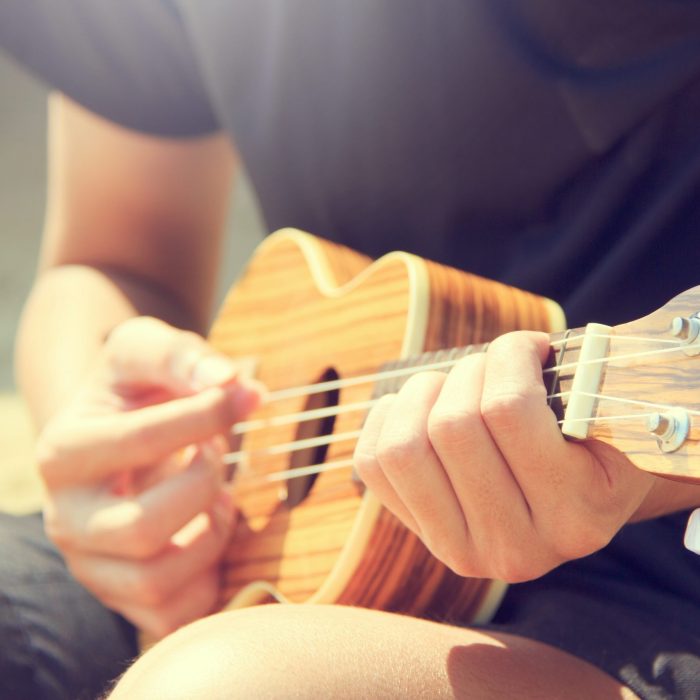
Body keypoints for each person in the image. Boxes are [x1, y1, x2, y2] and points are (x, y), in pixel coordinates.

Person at [2, 1, 700, 697]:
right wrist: (114, 475)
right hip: (243, 535)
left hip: (660, 588)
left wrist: (646, 471)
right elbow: (113, 258)